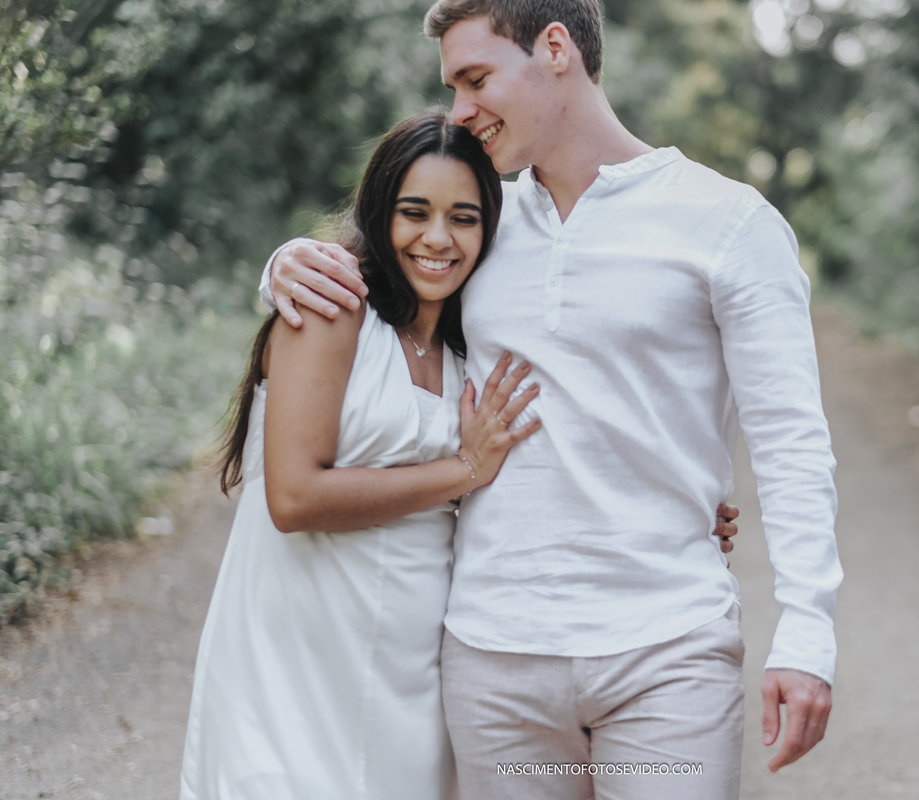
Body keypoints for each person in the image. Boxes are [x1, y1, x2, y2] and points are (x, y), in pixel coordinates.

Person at [261, 1, 841, 797]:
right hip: (493, 661)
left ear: (556, 48)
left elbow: (790, 440)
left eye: (475, 79)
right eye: (453, 87)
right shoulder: (480, 224)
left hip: (666, 653)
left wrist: (807, 632)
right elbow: (380, 276)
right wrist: (285, 263)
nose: (460, 111)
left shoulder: (729, 224)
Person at [180, 110, 540, 800]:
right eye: (415, 212)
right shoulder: (333, 307)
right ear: (380, 213)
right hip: (294, 656)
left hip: (414, 667)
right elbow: (293, 499)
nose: (438, 238)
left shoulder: (478, 347)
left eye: (464, 218)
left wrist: (688, 511)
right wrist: (461, 472)